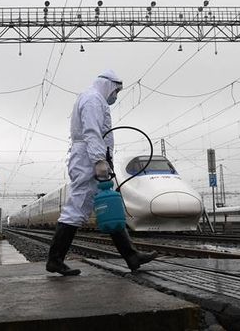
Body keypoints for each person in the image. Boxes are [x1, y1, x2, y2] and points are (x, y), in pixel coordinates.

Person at [46, 70, 158, 276]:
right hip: (88, 158)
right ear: (108, 85)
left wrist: (102, 159)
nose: (115, 95)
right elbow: (92, 131)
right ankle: (55, 259)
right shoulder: (93, 100)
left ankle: (132, 256)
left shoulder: (93, 99)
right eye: (116, 91)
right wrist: (98, 160)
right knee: (77, 208)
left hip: (89, 156)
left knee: (110, 206)